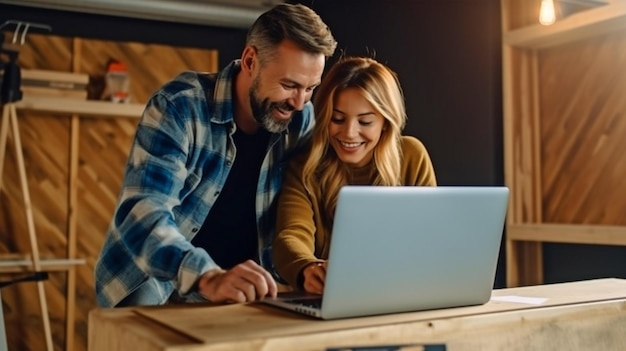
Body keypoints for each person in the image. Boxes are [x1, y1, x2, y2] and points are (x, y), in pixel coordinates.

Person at [94, 3, 337, 307]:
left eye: (310, 88)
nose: (299, 102)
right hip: (159, 283)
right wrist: (208, 277)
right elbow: (143, 211)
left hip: (245, 290)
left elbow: (307, 204)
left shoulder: (301, 121)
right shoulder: (179, 106)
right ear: (250, 60)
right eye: (289, 85)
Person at [272, 56, 437, 294]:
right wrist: (308, 267)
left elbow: (429, 238)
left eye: (365, 121)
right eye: (337, 119)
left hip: (402, 295)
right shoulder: (306, 167)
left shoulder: (411, 156)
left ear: (385, 122)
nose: (349, 133)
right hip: (329, 300)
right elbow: (291, 234)